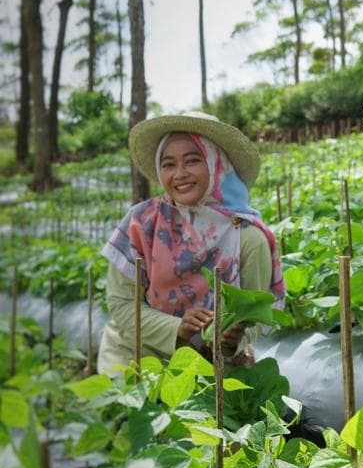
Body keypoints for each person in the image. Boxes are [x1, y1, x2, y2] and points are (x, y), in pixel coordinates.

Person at [97, 111, 285, 373]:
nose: (180, 174)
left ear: (215, 163)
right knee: (136, 407)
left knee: (223, 407)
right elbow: (122, 304)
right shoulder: (142, 223)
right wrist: (178, 328)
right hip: (136, 353)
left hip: (215, 362)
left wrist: (231, 340)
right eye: (169, 164)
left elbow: (255, 317)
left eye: (193, 160)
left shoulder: (247, 237)